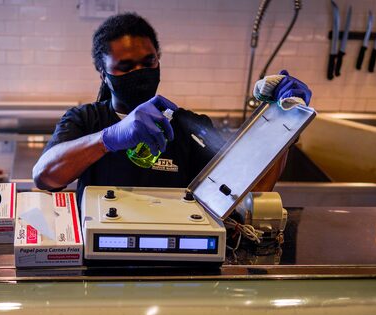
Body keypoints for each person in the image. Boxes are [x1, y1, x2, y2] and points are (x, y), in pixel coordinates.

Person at [33, 12, 312, 201]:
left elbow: (246, 196)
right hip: (99, 267)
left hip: (174, 268)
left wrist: (283, 123)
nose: (140, 72)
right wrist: (110, 137)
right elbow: (46, 177)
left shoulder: (188, 127)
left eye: (148, 62)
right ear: (103, 73)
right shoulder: (87, 119)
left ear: (158, 60)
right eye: (126, 66)